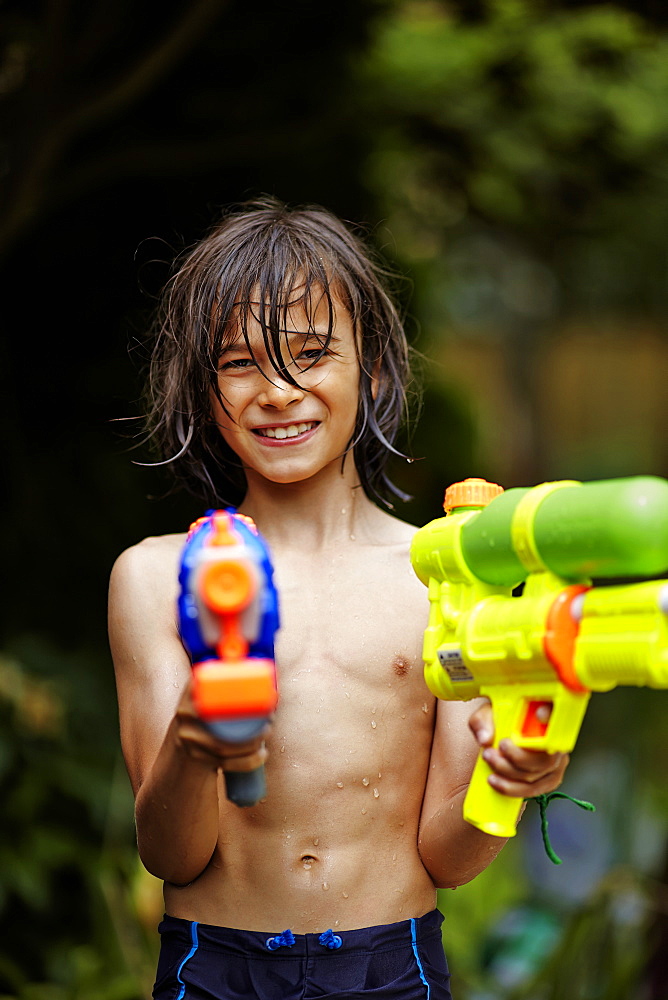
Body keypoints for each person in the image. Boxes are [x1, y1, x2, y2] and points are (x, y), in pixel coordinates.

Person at [108, 196, 570, 1000]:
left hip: (393, 967)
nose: (280, 391)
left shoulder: (447, 573)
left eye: (313, 352)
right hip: (213, 967)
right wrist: (194, 733)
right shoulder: (159, 578)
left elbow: (446, 859)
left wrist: (510, 782)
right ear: (205, 388)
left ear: (376, 367)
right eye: (241, 362)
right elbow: (170, 855)